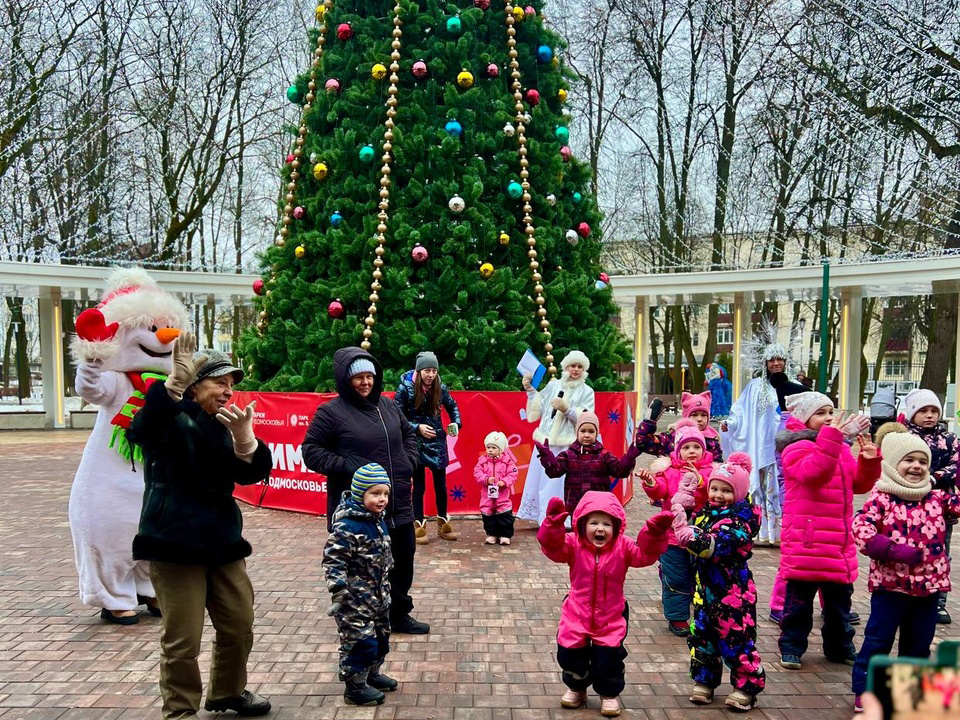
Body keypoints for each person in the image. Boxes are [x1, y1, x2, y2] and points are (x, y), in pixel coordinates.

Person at [127, 335, 272, 719]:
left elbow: (252, 474)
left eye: (232, 384)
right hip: (174, 543)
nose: (228, 391)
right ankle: (180, 711)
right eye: (219, 382)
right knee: (182, 641)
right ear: (194, 384)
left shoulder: (224, 422)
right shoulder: (169, 416)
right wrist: (170, 387)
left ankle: (227, 693)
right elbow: (139, 431)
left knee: (239, 625)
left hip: (222, 542)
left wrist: (245, 442)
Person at [68, 268, 190, 624]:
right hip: (110, 475)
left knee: (154, 528)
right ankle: (113, 595)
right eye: (152, 329)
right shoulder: (117, 382)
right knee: (111, 529)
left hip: (154, 472)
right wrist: (93, 356)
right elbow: (90, 389)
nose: (164, 336)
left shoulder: (169, 383)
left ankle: (151, 590)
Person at [302, 347, 428, 635]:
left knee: (403, 559)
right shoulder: (331, 412)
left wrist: (409, 460)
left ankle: (398, 614)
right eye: (358, 377)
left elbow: (408, 433)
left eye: (369, 376)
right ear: (345, 379)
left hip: (398, 504)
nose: (365, 383)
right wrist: (348, 466)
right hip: (360, 511)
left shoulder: (388, 406)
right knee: (364, 570)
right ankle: (364, 623)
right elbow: (311, 451)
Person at [851, 423, 960, 711]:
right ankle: (867, 689)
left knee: (918, 644)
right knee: (878, 639)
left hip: (929, 588)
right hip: (891, 586)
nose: (916, 466)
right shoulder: (882, 498)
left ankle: (912, 693)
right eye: (909, 460)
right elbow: (861, 528)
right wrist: (889, 549)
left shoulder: (937, 498)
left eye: (922, 461)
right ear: (893, 465)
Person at [538, 492, 673, 717]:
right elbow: (553, 549)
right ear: (582, 524)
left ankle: (608, 693)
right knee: (570, 653)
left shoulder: (624, 546)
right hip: (577, 610)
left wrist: (655, 533)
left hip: (611, 613)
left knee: (609, 657)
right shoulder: (573, 543)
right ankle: (577, 687)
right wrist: (552, 524)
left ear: (617, 526)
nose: (600, 529)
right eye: (593, 522)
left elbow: (645, 555)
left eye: (606, 524)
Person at [776, 391, 881, 671]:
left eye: (831, 411)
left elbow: (857, 485)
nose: (829, 418)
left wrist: (870, 461)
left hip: (837, 542)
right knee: (798, 604)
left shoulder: (839, 447)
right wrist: (835, 439)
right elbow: (814, 473)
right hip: (807, 541)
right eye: (821, 413)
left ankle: (839, 647)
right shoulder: (795, 448)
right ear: (803, 418)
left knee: (839, 606)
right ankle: (791, 647)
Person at [675, 453, 765, 712]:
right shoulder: (708, 512)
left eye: (726, 490)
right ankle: (705, 681)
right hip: (704, 591)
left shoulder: (740, 519)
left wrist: (687, 533)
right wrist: (684, 503)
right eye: (714, 488)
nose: (718, 494)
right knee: (702, 636)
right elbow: (695, 525)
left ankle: (746, 686)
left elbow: (712, 545)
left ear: (738, 493)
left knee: (736, 637)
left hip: (732, 592)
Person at [323, 463, 397, 707]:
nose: (382, 499)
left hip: (379, 596)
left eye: (385, 493)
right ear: (360, 494)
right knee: (359, 642)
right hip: (355, 600)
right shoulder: (348, 525)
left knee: (380, 636)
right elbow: (334, 559)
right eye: (375, 494)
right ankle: (354, 687)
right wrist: (338, 589)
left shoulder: (377, 520)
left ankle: (371, 675)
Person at [637, 419, 716, 636]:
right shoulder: (669, 471)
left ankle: (705, 615)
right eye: (687, 447)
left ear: (704, 449)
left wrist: (700, 480)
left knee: (702, 577)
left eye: (696, 447)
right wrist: (651, 483)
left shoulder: (712, 472)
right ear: (678, 451)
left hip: (701, 537)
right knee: (677, 578)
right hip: (672, 538)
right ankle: (678, 617)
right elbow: (660, 491)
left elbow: (716, 493)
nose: (692, 451)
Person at [899, 388, 958, 624]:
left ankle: (938, 601)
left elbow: (956, 465)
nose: (930, 415)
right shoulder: (902, 437)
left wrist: (934, 478)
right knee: (907, 548)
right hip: (907, 505)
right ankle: (904, 593)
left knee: (940, 552)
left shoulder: (950, 439)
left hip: (941, 507)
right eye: (923, 410)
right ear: (913, 413)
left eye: (934, 410)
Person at [518, 351, 596, 525]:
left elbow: (587, 418)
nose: (575, 369)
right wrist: (530, 389)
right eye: (572, 365)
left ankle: (563, 519)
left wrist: (567, 409)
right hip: (546, 441)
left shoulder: (587, 391)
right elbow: (539, 405)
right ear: (566, 367)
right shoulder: (554, 385)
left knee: (560, 483)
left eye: (579, 366)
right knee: (541, 481)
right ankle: (543, 516)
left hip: (567, 444)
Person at [394, 351, 462, 544]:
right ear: (419, 370)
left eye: (433, 370)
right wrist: (417, 428)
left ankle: (443, 524)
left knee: (441, 486)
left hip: (437, 440)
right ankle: (418, 525)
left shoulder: (440, 387)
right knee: (419, 486)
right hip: (415, 442)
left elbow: (453, 406)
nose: (431, 375)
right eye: (427, 371)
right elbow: (397, 416)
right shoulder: (405, 388)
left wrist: (456, 423)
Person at [720, 349, 786, 546]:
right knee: (759, 486)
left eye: (780, 359)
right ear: (765, 363)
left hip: (783, 445)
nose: (776, 363)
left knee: (778, 486)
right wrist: (731, 423)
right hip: (759, 445)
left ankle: (779, 531)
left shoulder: (793, 387)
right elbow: (740, 410)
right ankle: (758, 529)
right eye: (771, 359)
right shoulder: (755, 386)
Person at [534, 410, 639, 516]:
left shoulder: (604, 455)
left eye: (591, 431)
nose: (587, 435)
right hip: (576, 507)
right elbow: (554, 472)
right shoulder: (568, 455)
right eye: (583, 431)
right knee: (578, 532)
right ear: (577, 432)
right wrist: (547, 456)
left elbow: (620, 471)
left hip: (599, 505)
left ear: (596, 433)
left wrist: (630, 457)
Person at [636, 390, 724, 461]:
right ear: (686, 416)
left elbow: (717, 468)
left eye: (704, 415)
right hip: (674, 481)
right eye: (694, 415)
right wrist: (649, 422)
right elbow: (644, 443)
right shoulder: (673, 437)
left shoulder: (712, 441)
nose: (699, 419)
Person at [474, 431, 518, 545]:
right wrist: (486, 479)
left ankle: (505, 535)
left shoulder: (507, 461)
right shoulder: (482, 461)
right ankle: (492, 534)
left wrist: (504, 481)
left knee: (504, 513)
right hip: (487, 495)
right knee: (488, 514)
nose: (490, 450)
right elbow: (477, 473)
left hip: (502, 494)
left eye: (493, 447)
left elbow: (513, 474)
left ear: (501, 449)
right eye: (488, 447)